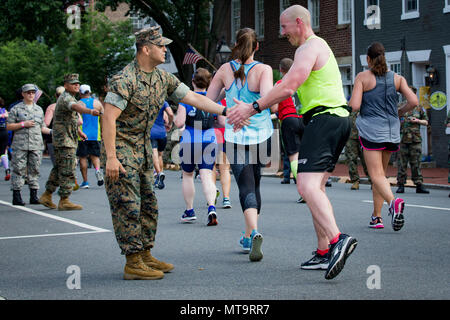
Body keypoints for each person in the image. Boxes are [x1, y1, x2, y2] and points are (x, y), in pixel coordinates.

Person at [226, 6, 358, 279]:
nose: (282, 32)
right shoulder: (315, 48)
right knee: (316, 188)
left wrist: (252, 108)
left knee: (305, 185)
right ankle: (324, 251)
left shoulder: (309, 47)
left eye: (284, 27)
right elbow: (284, 83)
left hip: (325, 118)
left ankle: (337, 240)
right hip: (335, 119)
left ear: (299, 22)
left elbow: (288, 86)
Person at [101, 26, 227, 280]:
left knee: (149, 204)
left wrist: (225, 111)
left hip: (144, 148)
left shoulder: (162, 78)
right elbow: (109, 118)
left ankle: (146, 253)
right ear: (145, 49)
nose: (164, 49)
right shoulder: (124, 80)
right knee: (128, 205)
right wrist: (112, 157)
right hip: (122, 149)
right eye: (160, 46)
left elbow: (193, 98)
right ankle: (132, 261)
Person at [206, 27, 274, 262]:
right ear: (257, 46)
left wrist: (227, 94)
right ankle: (249, 236)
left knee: (245, 186)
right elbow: (268, 100)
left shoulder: (224, 70)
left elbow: (207, 101)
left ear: (236, 45)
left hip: (235, 137)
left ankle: (253, 232)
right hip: (262, 134)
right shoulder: (264, 70)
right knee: (255, 184)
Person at [349, 42, 418, 231]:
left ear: (368, 59)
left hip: (372, 131)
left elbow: (355, 106)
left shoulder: (363, 77)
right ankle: (376, 217)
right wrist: (400, 112)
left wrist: (349, 101)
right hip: (392, 131)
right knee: (381, 175)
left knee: (376, 175)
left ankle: (393, 204)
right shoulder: (397, 78)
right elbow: (413, 101)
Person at [39, 74, 101, 211]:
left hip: (67, 138)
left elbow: (71, 120)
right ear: (66, 85)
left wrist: (79, 132)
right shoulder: (67, 98)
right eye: (73, 83)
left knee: (59, 168)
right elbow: (75, 108)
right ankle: (64, 199)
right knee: (68, 169)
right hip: (64, 141)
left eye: (78, 83)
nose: (76, 85)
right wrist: (90, 111)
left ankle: (47, 195)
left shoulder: (70, 97)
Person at [174, 67, 219, 226]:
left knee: (188, 175)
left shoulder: (186, 99)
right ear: (209, 82)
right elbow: (221, 121)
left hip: (190, 141)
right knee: (207, 174)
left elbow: (179, 122)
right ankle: (212, 208)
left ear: (192, 82)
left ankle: (189, 211)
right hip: (209, 139)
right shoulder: (213, 100)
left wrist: (175, 121)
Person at [6, 84, 52, 205]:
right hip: (20, 145)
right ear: (23, 94)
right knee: (18, 170)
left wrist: (53, 132)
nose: (31, 94)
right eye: (28, 92)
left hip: (36, 144)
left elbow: (42, 127)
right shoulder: (16, 109)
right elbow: (8, 126)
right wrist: (22, 124)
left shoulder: (39, 109)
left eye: (33, 92)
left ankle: (34, 195)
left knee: (35, 170)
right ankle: (17, 195)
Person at [273, 57, 305, 202]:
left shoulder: (280, 84)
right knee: (306, 155)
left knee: (294, 156)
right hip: (304, 118)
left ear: (281, 70)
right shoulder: (301, 82)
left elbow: (274, 107)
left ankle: (304, 192)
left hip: (288, 119)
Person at [396, 86, 429, 194]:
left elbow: (426, 122)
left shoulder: (419, 107)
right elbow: (393, 119)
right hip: (403, 139)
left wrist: (418, 120)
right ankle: (401, 185)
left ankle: (419, 184)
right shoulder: (400, 106)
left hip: (415, 139)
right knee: (402, 163)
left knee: (416, 163)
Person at [77, 84, 105, 189]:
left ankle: (85, 181)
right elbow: (103, 117)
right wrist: (102, 131)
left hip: (82, 134)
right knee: (95, 156)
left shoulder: (78, 104)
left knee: (83, 157)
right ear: (90, 92)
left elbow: (75, 119)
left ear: (80, 93)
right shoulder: (97, 103)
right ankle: (97, 170)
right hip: (95, 134)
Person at [212, 98, 232, 209]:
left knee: (211, 167)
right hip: (225, 135)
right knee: (225, 168)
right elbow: (223, 122)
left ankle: (212, 194)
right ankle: (226, 198)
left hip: (210, 135)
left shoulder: (209, 100)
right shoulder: (231, 99)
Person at [345, 111, 370, 190]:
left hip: (365, 136)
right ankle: (355, 181)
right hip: (351, 137)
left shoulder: (366, 104)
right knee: (351, 159)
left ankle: (373, 181)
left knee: (367, 160)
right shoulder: (349, 105)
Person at [151, 101, 173, 190]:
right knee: (160, 155)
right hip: (162, 133)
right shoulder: (163, 102)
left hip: (152, 132)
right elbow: (170, 114)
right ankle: (160, 177)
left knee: (154, 152)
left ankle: (159, 173)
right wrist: (170, 123)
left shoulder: (148, 100)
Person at [44, 86, 65, 166]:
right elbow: (80, 122)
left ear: (55, 95)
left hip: (54, 138)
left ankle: (59, 178)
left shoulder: (52, 107)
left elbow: (46, 123)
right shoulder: (72, 106)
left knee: (57, 164)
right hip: (68, 137)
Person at [0, 97, 11, 181]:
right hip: (4, 132)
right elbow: (8, 117)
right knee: (3, 152)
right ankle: (7, 169)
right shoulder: (4, 110)